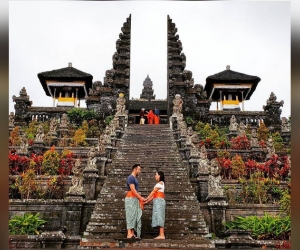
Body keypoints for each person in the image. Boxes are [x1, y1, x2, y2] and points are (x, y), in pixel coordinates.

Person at [125, 164, 146, 239]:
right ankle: (129, 233)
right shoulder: (130, 178)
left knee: (134, 215)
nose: (139, 171)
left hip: (134, 199)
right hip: (130, 198)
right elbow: (133, 189)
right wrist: (140, 197)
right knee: (130, 215)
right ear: (134, 169)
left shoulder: (135, 178)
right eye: (139, 169)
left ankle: (132, 233)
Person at [144, 171, 166, 240]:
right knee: (158, 216)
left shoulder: (160, 183)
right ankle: (161, 234)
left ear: (159, 176)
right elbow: (154, 195)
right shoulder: (160, 184)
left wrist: (146, 198)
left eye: (156, 175)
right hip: (157, 201)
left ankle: (162, 234)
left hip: (159, 201)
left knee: (160, 216)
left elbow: (153, 192)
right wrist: (147, 201)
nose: (155, 176)